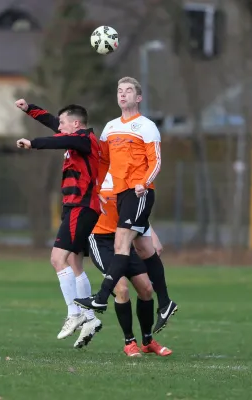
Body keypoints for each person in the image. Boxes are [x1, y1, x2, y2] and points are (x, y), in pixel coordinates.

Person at [74, 77, 177, 333]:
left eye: (128, 91)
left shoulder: (147, 126)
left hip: (139, 193)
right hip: (121, 194)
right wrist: (98, 188)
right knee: (144, 249)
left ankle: (101, 296)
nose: (123, 94)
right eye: (119, 90)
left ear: (138, 97)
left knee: (121, 244)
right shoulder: (110, 127)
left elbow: (156, 161)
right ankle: (165, 303)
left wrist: (144, 182)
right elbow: (103, 162)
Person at [15, 99, 102, 348]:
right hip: (77, 207)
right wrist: (29, 108)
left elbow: (60, 139)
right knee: (74, 262)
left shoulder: (83, 140)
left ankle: (74, 312)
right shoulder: (75, 136)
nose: (59, 126)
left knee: (57, 259)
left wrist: (33, 144)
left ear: (76, 124)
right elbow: (53, 123)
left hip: (81, 207)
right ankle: (90, 318)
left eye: (64, 123)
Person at [88, 171, 173, 356]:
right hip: (101, 242)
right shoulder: (96, 174)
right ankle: (129, 342)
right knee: (122, 289)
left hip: (125, 241)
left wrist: (152, 236)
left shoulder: (126, 174)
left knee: (146, 289)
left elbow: (136, 211)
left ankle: (148, 341)